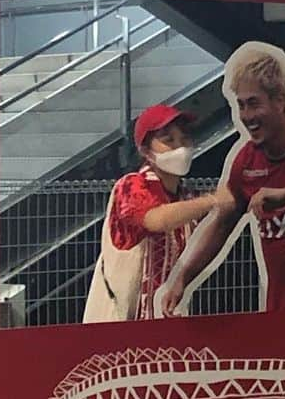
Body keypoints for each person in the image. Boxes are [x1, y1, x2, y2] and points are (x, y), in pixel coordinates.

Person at [158, 43, 285, 316]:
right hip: (279, 315)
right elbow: (221, 224)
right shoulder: (245, 162)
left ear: (280, 100)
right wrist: (182, 277)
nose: (246, 116)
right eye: (240, 105)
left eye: (253, 103)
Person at [83, 104, 227, 322]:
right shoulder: (131, 186)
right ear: (145, 151)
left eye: (184, 139)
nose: (180, 147)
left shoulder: (185, 197)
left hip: (164, 322)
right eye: (168, 140)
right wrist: (214, 200)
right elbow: (157, 219)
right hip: (117, 323)